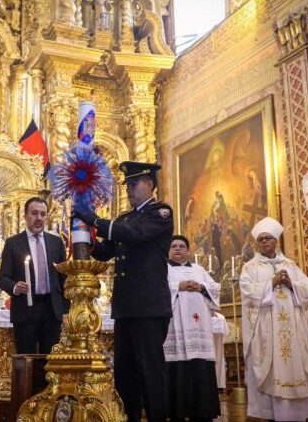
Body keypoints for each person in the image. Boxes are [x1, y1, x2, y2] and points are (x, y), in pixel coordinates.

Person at [73, 161, 173, 422]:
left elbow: (135, 235)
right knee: (126, 372)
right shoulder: (123, 219)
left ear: (149, 185)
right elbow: (105, 252)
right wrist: (83, 233)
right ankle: (129, 417)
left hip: (149, 307)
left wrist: (95, 219)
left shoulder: (160, 213)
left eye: (134, 184)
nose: (129, 189)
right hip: (126, 307)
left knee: (150, 369)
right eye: (127, 185)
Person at [240, 216, 308, 421]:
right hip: (267, 329)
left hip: (292, 329)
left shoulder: (290, 264)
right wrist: (272, 283)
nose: (265, 242)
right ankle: (270, 414)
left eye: (268, 238)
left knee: (293, 366)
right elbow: (247, 293)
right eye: (261, 239)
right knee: (271, 366)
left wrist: (291, 283)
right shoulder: (251, 267)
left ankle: (297, 414)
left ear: (276, 241)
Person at [0, 197, 68, 354]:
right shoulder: (13, 244)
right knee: (25, 360)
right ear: (25, 216)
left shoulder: (56, 243)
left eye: (43, 214)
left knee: (49, 362)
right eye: (34, 213)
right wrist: (15, 287)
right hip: (25, 310)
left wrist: (65, 310)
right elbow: (3, 279)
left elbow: (64, 279)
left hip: (52, 310)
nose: (39, 218)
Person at [164, 235, 221, 422]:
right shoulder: (162, 269)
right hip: (175, 328)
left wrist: (202, 287)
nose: (178, 249)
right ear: (168, 250)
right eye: (174, 246)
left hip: (199, 327)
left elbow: (215, 288)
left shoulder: (198, 269)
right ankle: (177, 412)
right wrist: (178, 286)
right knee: (177, 368)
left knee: (200, 367)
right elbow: (157, 290)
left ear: (188, 251)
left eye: (182, 246)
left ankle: (203, 412)